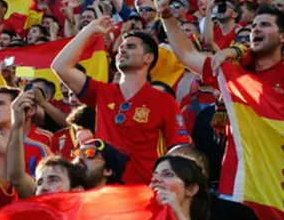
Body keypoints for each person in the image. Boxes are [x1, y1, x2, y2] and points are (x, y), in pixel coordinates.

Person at [162, 5, 284, 220]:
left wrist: (238, 50)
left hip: (281, 190)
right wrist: (167, 16)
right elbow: (185, 54)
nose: (256, 30)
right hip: (238, 191)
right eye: (253, 27)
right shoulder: (235, 72)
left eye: (266, 25)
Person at [51, 16, 190, 185]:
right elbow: (60, 66)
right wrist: (90, 29)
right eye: (121, 47)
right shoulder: (102, 92)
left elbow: (178, 150)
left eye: (130, 47)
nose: (121, 51)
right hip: (105, 193)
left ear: (148, 58)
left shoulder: (164, 101)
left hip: (143, 192)